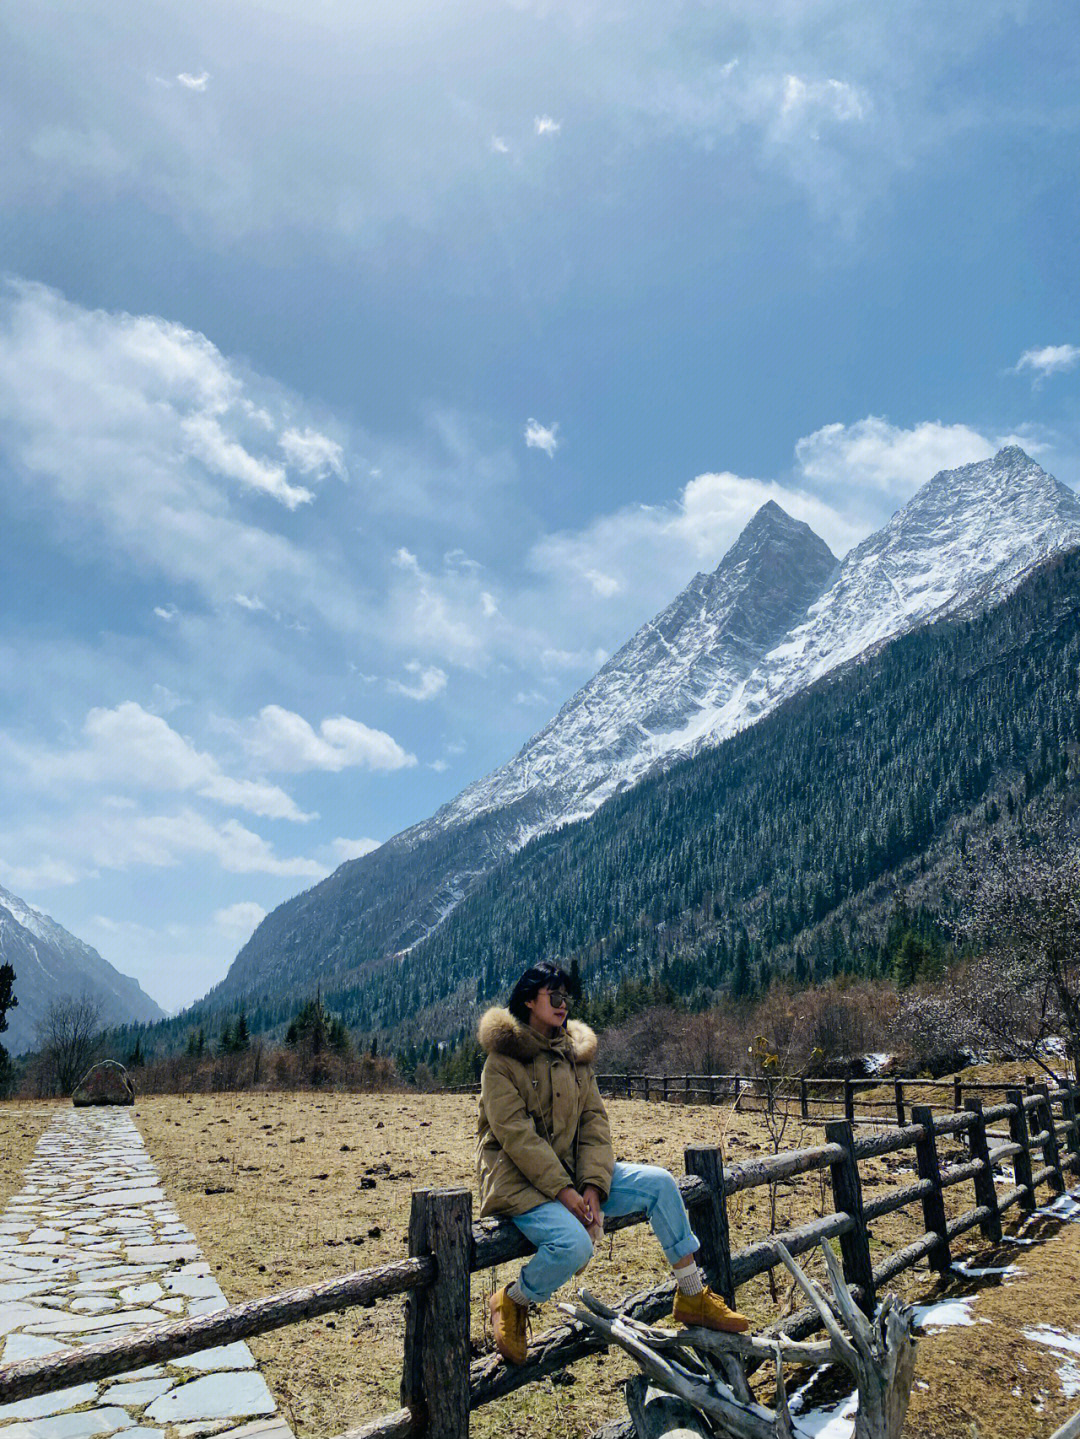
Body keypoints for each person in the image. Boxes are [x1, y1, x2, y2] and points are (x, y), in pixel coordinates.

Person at [476, 960, 749, 1365]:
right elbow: (517, 1137)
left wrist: (592, 1186)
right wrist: (566, 1192)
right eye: (554, 996)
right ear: (529, 999)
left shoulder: (574, 1056)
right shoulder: (501, 1063)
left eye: (566, 997)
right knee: (573, 1245)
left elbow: (593, 1122)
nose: (563, 1004)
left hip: (574, 1174)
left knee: (660, 1184)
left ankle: (692, 1294)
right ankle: (513, 1300)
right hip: (518, 1182)